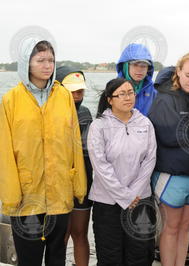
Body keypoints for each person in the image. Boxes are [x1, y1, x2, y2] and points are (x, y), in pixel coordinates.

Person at [0, 39, 87, 266]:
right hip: (26, 197)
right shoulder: (10, 100)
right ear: (26, 64)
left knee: (57, 257)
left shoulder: (64, 96)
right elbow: (5, 152)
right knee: (29, 260)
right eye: (40, 60)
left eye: (50, 60)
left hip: (60, 193)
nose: (47, 65)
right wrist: (10, 195)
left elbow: (74, 143)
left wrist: (78, 184)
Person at [87, 78, 157, 266]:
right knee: (110, 254)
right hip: (107, 203)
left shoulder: (145, 123)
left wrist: (133, 195)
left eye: (131, 92)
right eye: (122, 94)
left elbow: (149, 161)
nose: (128, 97)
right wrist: (124, 196)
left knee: (140, 254)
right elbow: (100, 166)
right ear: (110, 99)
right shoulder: (99, 126)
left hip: (140, 201)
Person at [148, 52, 189, 266]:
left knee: (186, 226)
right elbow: (170, 135)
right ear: (178, 71)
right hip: (170, 174)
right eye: (188, 75)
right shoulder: (164, 98)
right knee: (171, 227)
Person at [56, 66, 93, 266]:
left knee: (79, 234)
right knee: (60, 236)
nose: (77, 94)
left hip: (83, 181)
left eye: (80, 90)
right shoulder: (51, 113)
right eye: (72, 90)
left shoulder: (86, 113)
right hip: (59, 184)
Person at [116, 43, 157, 116]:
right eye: (135, 65)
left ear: (148, 68)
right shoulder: (113, 89)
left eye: (144, 66)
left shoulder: (153, 91)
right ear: (126, 66)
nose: (140, 69)